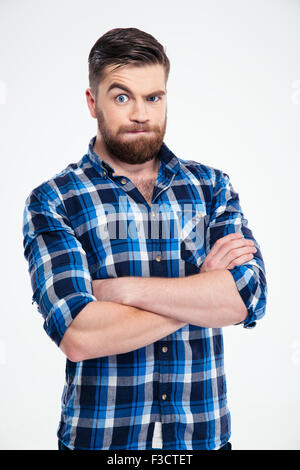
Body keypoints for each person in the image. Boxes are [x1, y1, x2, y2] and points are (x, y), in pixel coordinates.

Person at [22, 27, 267, 451]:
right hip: (101, 441)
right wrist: (201, 291)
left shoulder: (211, 187)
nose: (140, 113)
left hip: (201, 440)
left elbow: (248, 298)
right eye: (122, 97)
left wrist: (124, 292)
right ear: (91, 102)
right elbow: (79, 335)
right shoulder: (54, 200)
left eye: (153, 97)